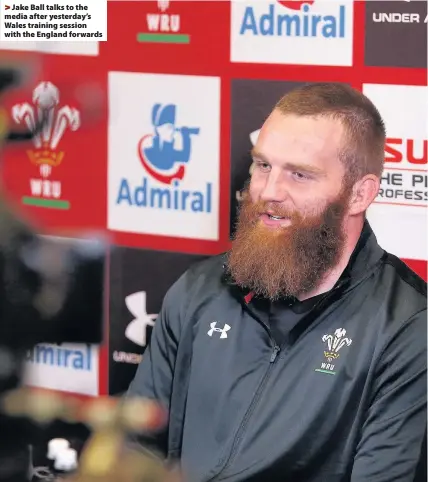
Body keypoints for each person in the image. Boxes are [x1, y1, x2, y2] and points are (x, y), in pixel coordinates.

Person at [125, 82, 427, 482]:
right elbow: (135, 446)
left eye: (300, 174)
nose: (268, 191)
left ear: (359, 194)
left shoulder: (408, 328)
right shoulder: (199, 288)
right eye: (263, 165)